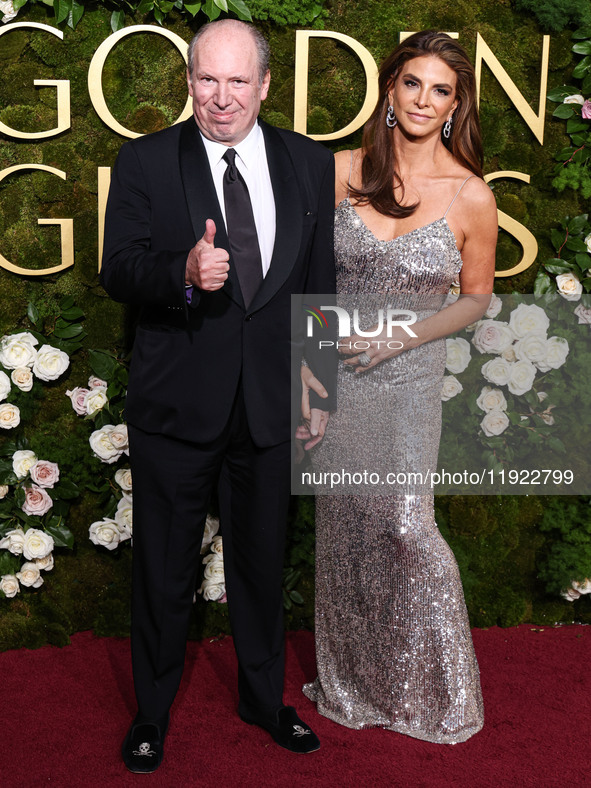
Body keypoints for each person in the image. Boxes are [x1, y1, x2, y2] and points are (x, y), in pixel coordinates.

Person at [100, 19, 335, 773]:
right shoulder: (144, 163)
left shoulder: (307, 162)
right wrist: (182, 270)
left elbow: (319, 284)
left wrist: (317, 387)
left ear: (265, 85)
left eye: (238, 81)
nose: (221, 98)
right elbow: (118, 269)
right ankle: (151, 712)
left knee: (262, 566)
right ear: (189, 82)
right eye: (207, 79)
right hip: (178, 407)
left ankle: (265, 702)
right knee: (164, 570)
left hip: (271, 407)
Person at [301, 31, 498, 743]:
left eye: (439, 89)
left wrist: (402, 335)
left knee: (406, 528)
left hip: (410, 381)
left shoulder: (471, 195)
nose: (422, 100)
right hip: (339, 380)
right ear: (389, 89)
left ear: (455, 105)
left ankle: (439, 695)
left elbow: (474, 298)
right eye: (411, 83)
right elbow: (312, 285)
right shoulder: (337, 171)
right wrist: (310, 387)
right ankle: (355, 684)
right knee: (347, 533)